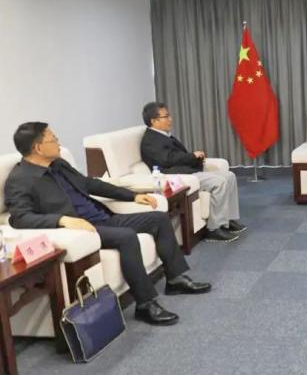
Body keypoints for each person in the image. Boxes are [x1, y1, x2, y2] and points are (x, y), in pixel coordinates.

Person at [4, 122, 211, 326]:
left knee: (158, 218)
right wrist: (61, 220)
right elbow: (20, 218)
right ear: (38, 148)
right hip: (86, 230)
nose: (59, 143)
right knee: (126, 236)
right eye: (53, 139)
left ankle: (175, 279)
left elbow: (89, 184)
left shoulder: (59, 164)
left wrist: (132, 196)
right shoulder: (20, 179)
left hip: (104, 217)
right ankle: (145, 304)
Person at [140, 102, 246, 242]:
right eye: (166, 116)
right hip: (175, 177)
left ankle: (227, 220)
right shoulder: (150, 140)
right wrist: (191, 156)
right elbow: (167, 160)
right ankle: (214, 229)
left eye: (169, 115)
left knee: (229, 176)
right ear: (154, 121)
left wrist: (194, 157)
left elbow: (176, 156)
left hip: (186, 171)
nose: (170, 119)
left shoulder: (163, 135)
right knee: (219, 182)